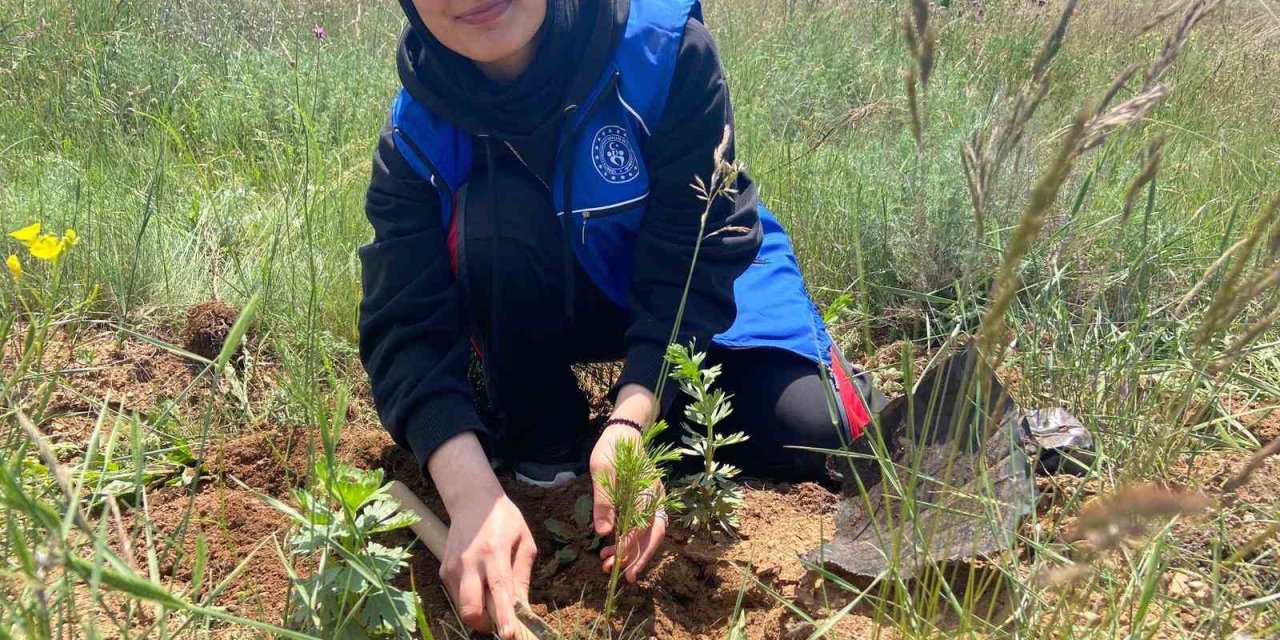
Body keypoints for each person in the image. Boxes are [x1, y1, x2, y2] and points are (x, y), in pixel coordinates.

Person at [358, 0, 875, 637]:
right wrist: (470, 497)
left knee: (814, 428)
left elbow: (699, 246)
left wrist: (633, 415)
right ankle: (541, 433)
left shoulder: (663, 51)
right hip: (530, 295)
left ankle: (660, 419)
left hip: (684, 276)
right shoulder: (414, 133)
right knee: (498, 212)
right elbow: (403, 325)